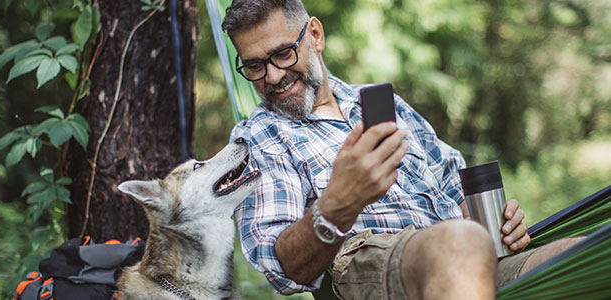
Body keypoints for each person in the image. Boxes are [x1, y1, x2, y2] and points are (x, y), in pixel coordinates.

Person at [222, 1, 582, 299]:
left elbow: (454, 185)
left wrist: (502, 225)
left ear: (315, 36)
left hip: (471, 259)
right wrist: (337, 204)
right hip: (371, 262)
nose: (271, 76)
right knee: (460, 242)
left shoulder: (381, 102)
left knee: (581, 254)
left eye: (282, 54)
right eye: (254, 65)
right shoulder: (259, 137)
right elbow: (279, 267)